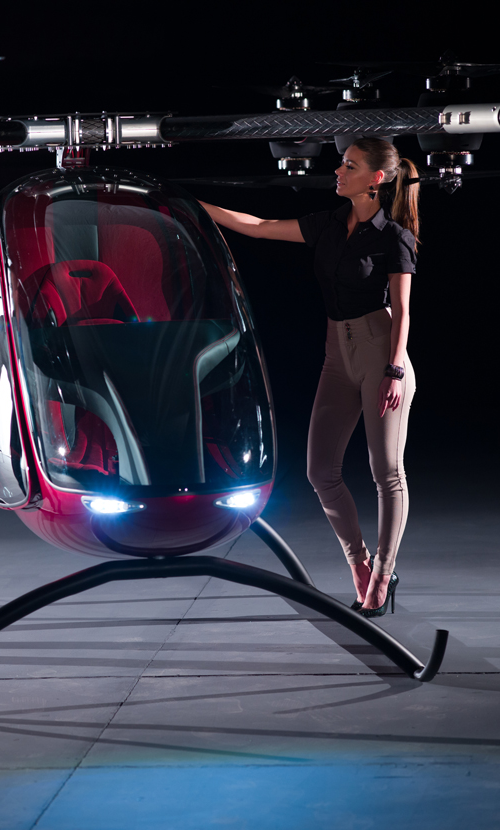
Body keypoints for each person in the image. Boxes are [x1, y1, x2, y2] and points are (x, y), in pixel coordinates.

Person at [200, 137, 419, 618]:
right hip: (336, 353)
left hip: (382, 354)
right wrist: (188, 205)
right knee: (320, 471)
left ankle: (384, 575)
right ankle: (359, 562)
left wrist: (395, 369)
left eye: (350, 166)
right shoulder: (328, 224)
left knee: (387, 472)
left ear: (376, 180)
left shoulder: (394, 236)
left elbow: (403, 311)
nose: (338, 171)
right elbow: (257, 227)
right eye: (342, 163)